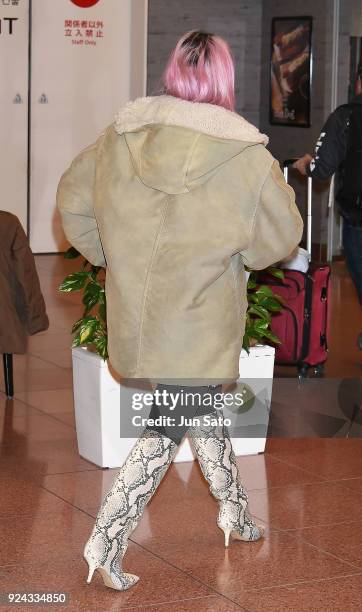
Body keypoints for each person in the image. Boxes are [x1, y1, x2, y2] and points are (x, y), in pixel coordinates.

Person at [57, 30, 303, 591]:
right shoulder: (245, 155)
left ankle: (234, 514)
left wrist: (109, 255)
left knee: (198, 404)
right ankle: (106, 537)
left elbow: (72, 201)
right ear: (225, 78)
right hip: (201, 318)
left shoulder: (120, 137)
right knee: (170, 422)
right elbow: (280, 237)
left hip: (138, 320)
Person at [294, 53, 362, 366]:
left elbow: (322, 168)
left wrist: (304, 165)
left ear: (358, 82)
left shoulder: (346, 116)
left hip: (360, 222)